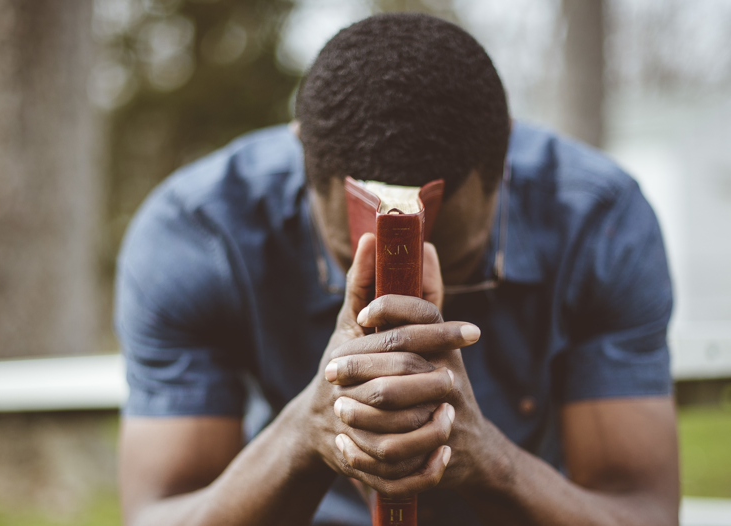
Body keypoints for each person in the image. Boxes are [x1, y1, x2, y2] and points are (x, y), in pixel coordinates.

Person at [115, 13, 679, 526]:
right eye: (352, 263)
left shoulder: (598, 224)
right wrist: (307, 433)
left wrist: (489, 459)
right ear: (302, 151)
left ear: (502, 154)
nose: (402, 322)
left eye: (452, 266)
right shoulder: (199, 234)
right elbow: (161, 515)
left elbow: (643, 512)